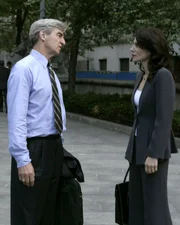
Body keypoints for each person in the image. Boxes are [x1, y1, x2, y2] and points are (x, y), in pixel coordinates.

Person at [7, 19, 67, 225]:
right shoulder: (24, 69)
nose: (63, 41)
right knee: (29, 214)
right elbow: (17, 118)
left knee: (49, 213)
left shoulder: (50, 71)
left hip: (54, 147)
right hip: (34, 149)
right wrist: (22, 159)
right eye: (59, 35)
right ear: (43, 35)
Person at [125, 27, 178, 225]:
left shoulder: (163, 76)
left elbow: (163, 119)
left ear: (151, 48)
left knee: (155, 207)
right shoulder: (140, 76)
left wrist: (153, 154)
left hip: (153, 151)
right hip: (137, 147)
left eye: (137, 45)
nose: (132, 48)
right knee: (137, 205)